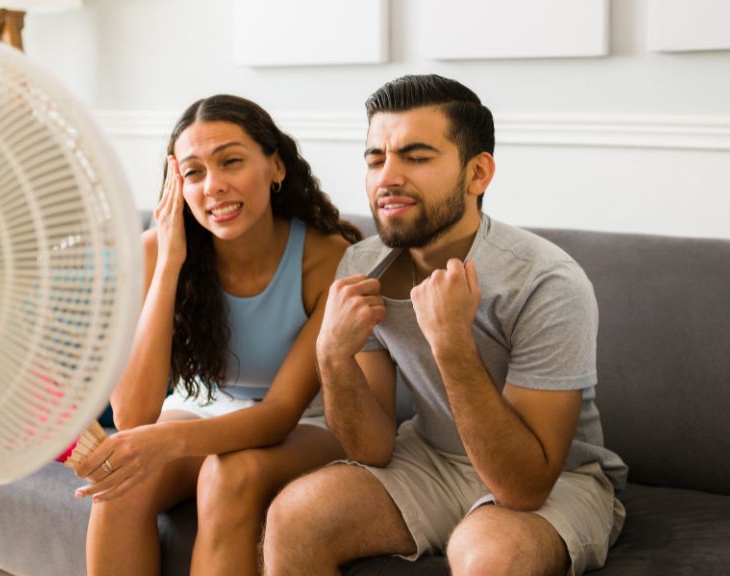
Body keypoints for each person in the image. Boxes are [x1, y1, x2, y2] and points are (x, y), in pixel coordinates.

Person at [262, 75, 628, 576]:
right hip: (429, 461)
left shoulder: (546, 281)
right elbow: (370, 448)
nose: (386, 177)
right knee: (294, 516)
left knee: (491, 555)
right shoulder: (361, 266)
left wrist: (452, 343)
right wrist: (331, 355)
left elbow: (524, 486)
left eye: (416, 157)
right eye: (375, 158)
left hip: (557, 478)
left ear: (478, 174)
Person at [73, 94, 361, 576]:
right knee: (122, 483)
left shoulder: (325, 260)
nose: (214, 186)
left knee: (229, 475)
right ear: (176, 185)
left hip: (309, 423)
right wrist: (168, 263)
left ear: (276, 167)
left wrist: (166, 444)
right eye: (194, 172)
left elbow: (279, 414)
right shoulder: (156, 252)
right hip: (203, 406)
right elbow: (133, 414)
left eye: (231, 162)